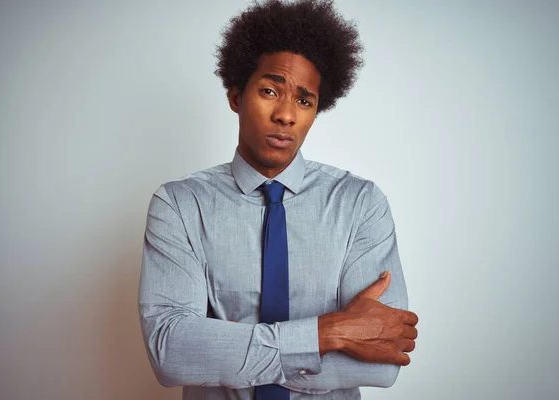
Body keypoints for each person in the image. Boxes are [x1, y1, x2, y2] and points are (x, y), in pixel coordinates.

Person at [138, 1, 419, 399]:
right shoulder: (180, 205)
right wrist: (330, 333)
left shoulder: (360, 204)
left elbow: (383, 361)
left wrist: (229, 349)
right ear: (236, 95)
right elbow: (171, 353)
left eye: (304, 100)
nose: (286, 115)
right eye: (270, 91)